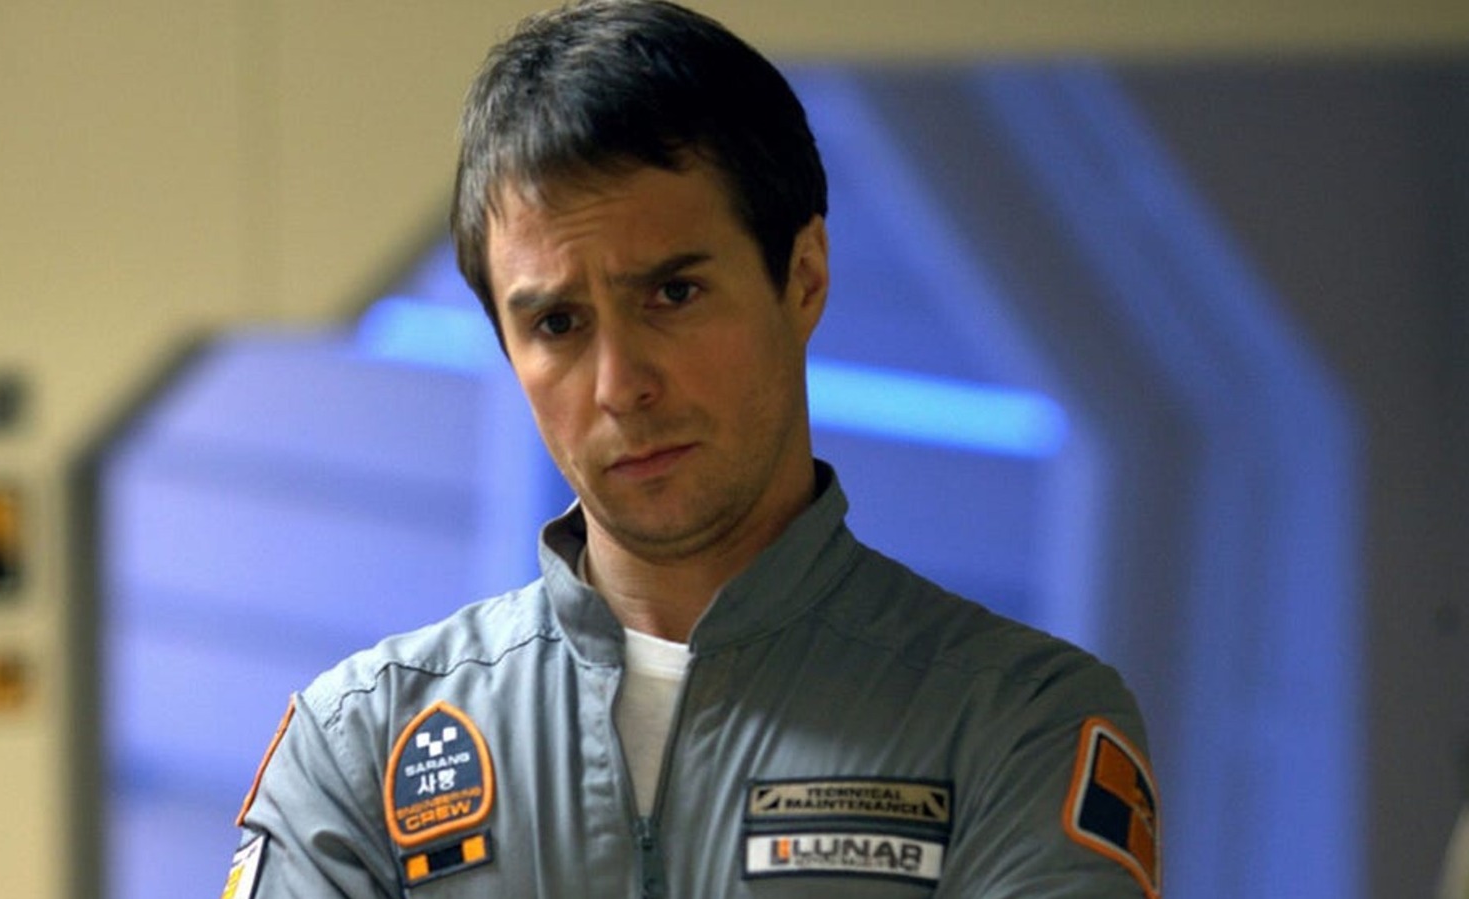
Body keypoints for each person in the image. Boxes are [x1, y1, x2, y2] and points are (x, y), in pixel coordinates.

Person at [221, 2, 1161, 897]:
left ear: (804, 277)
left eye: (673, 294)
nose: (619, 383)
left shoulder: (1017, 719)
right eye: (557, 323)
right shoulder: (359, 743)